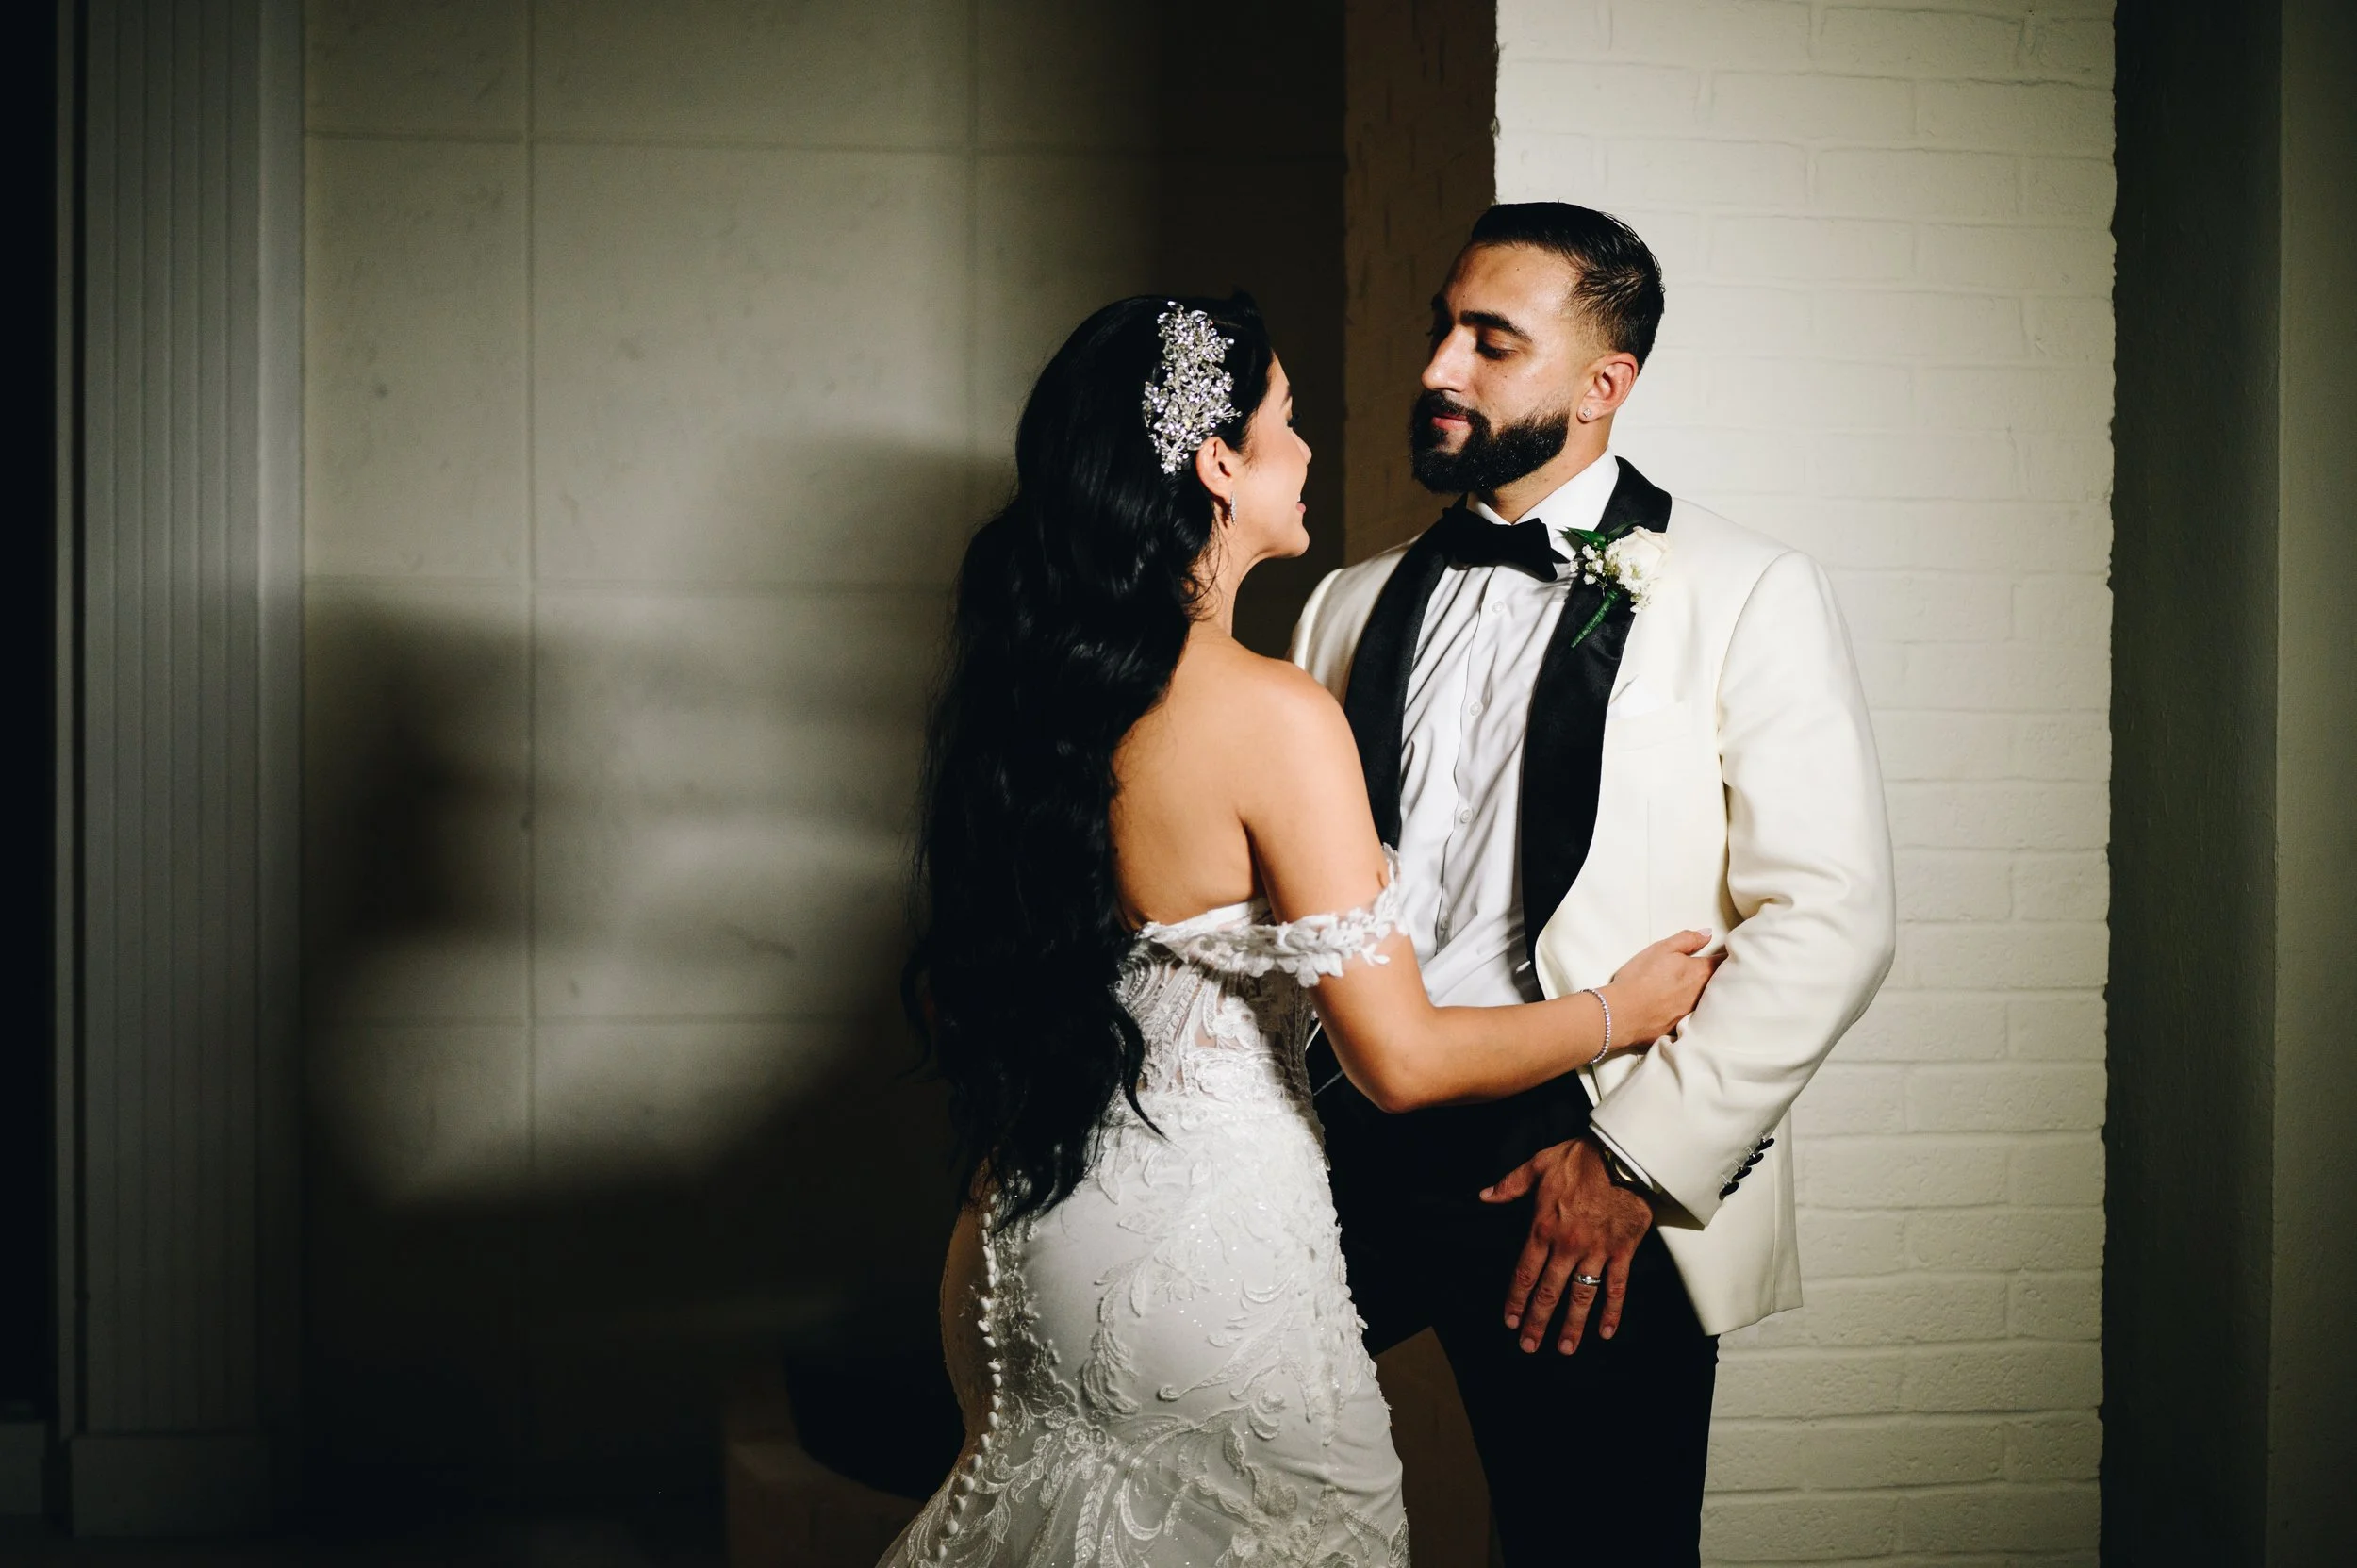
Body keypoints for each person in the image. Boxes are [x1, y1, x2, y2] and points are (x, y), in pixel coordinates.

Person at [882, 292, 1721, 1567]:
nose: (1310, 444)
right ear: (1219, 465)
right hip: (1200, 1270)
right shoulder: (1269, 711)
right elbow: (1401, 1057)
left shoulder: (1030, 693)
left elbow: (967, 992)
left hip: (1020, 1235)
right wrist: (1619, 1013)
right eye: (1284, 417)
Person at [1289, 202, 1898, 1565]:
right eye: (1442, 329)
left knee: (1595, 1546)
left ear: (1601, 384)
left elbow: (1833, 915)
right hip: (1341, 1135)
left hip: (1576, 1155)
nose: (1438, 368)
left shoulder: (1747, 589)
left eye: (1491, 342)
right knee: (1208, 1473)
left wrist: (1632, 1161)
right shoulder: (1344, 605)